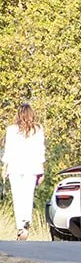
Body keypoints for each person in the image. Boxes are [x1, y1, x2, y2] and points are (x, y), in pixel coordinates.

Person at [2, 102, 46, 240]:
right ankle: (26, 222)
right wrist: (41, 169)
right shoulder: (38, 130)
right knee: (28, 196)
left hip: (15, 167)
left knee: (17, 197)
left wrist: (4, 167)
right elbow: (41, 150)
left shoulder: (11, 130)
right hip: (31, 167)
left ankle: (20, 227)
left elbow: (8, 150)